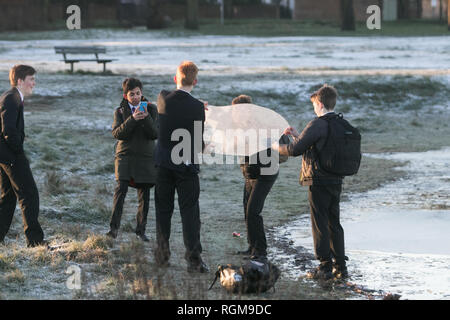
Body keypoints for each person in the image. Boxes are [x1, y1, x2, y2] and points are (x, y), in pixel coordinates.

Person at [273, 84, 348, 280]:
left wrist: (276, 146)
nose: (314, 108)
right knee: (334, 223)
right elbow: (318, 147)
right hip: (336, 179)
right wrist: (298, 136)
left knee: (319, 223)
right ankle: (340, 267)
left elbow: (294, 150)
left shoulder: (318, 123)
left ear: (320, 104)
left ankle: (324, 267)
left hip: (318, 180)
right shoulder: (340, 123)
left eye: (314, 104)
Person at [154, 61, 209, 273]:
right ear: (195, 81)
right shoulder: (196, 107)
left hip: (162, 164)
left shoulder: (162, 97)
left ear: (175, 78)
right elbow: (196, 143)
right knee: (190, 214)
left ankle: (162, 256)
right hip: (185, 166)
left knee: (163, 210)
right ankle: (194, 261)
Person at [232, 95, 289, 262]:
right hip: (250, 174)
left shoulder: (260, 124)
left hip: (266, 173)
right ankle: (252, 246)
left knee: (253, 211)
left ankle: (261, 252)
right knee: (247, 209)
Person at [106, 78, 158, 242]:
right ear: (125, 95)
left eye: (138, 93)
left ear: (141, 93)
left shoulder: (151, 109)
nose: (135, 97)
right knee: (120, 191)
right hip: (125, 157)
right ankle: (113, 230)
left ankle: (140, 231)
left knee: (144, 195)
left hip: (145, 157)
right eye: (132, 94)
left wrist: (146, 118)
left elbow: (155, 134)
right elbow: (117, 134)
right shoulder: (119, 111)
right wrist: (132, 119)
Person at [0, 65, 45, 247]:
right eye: (31, 79)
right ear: (20, 81)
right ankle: (35, 241)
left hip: (5, 155)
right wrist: (18, 151)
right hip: (10, 155)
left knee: (8, 197)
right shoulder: (11, 98)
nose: (33, 83)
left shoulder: (13, 96)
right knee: (29, 194)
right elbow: (8, 130)